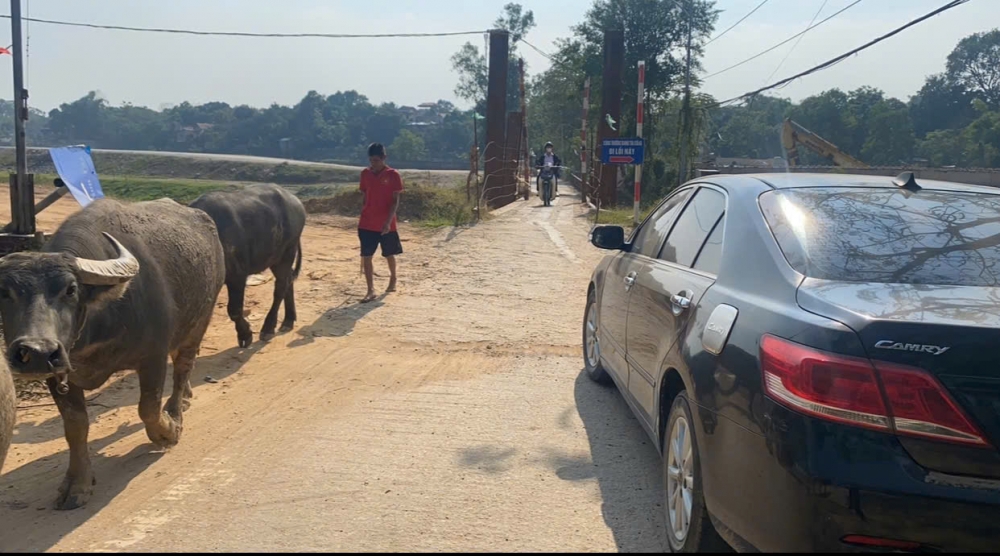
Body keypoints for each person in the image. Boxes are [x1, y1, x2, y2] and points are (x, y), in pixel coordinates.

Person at [358, 142, 403, 303]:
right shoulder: (365, 174)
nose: (373, 164)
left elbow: (395, 201)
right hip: (366, 223)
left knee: (389, 254)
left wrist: (387, 222)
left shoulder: (393, 175)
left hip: (386, 224)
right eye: (371, 160)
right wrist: (363, 212)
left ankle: (393, 278)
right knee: (366, 256)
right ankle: (370, 289)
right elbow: (364, 195)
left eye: (376, 160)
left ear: (384, 158)